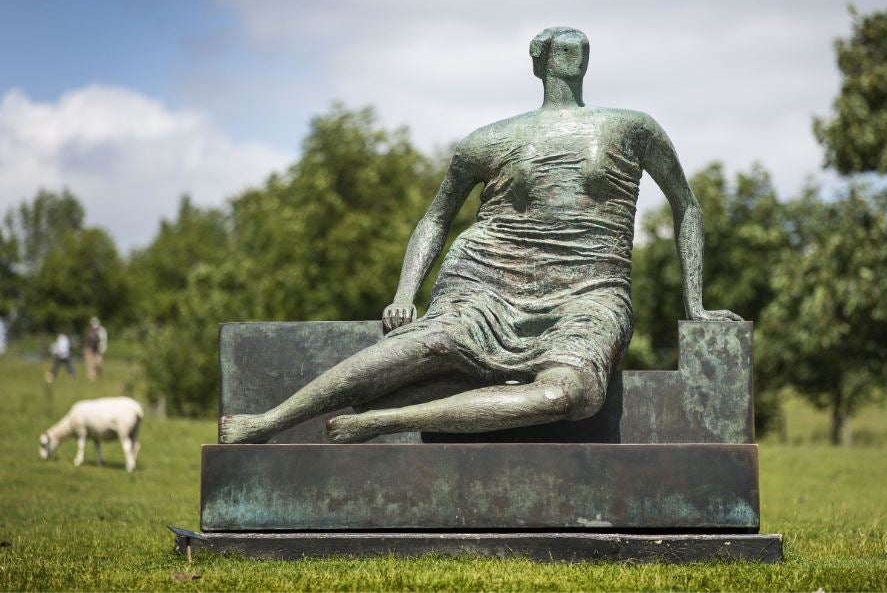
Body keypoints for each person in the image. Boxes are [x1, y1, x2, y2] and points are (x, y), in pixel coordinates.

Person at [219, 26, 741, 445]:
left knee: (573, 393)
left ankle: (381, 422)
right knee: (430, 341)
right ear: (537, 62)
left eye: (580, 49)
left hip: (590, 295)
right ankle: (269, 422)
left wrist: (696, 303)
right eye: (560, 50)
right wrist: (406, 294)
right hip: (488, 281)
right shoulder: (489, 140)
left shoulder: (631, 127)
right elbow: (435, 218)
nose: (572, 55)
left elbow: (686, 206)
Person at [82, 316, 105, 381]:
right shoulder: (89, 332)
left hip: (97, 350)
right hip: (89, 350)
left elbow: (101, 342)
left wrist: (100, 350)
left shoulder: (101, 331)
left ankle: (98, 376)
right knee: (90, 365)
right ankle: (91, 378)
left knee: (99, 364)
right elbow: (86, 342)